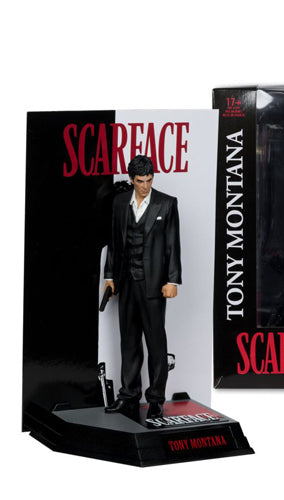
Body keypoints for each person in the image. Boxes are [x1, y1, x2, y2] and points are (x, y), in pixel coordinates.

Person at [103, 155, 181, 419]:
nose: (145, 186)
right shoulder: (119, 203)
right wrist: (110, 276)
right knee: (129, 341)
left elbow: (173, 244)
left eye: (149, 180)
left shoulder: (166, 203)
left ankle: (156, 398)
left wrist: (172, 280)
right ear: (131, 179)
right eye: (140, 181)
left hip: (154, 284)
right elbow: (114, 243)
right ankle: (129, 395)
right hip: (126, 282)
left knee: (156, 343)